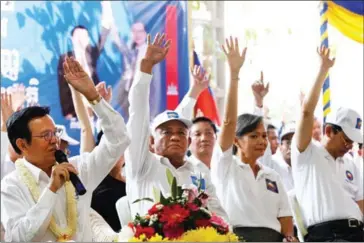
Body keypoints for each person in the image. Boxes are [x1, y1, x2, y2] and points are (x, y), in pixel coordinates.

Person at [1, 57, 130, 242]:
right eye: (46, 135)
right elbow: (18, 238)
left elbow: (119, 139)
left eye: (55, 133)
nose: (54, 140)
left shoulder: (79, 168)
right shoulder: (11, 186)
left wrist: (94, 97)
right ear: (22, 144)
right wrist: (52, 189)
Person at [123, 33, 228, 222]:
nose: (175, 137)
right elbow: (138, 114)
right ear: (152, 141)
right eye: (166, 132)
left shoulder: (199, 171)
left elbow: (218, 215)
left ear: (189, 141)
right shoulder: (142, 164)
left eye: (181, 132)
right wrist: (146, 67)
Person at [211, 36, 296, 242]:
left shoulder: (272, 176)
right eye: (254, 136)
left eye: (264, 136)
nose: (262, 141)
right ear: (236, 140)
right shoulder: (226, 166)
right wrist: (234, 74)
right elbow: (230, 122)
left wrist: (289, 238)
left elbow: (285, 216)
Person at [292, 46, 364, 242]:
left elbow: (361, 203)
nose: (350, 146)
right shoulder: (306, 152)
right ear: (329, 131)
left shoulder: (350, 163)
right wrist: (323, 69)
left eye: (354, 142)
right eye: (346, 139)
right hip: (327, 236)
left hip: (357, 234)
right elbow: (306, 112)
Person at [57, 1, 112, 119]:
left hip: (93, 99)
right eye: (78, 36)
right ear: (72, 39)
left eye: (84, 36)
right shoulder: (65, 58)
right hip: (76, 103)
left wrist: (106, 8)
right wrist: (67, 110)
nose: (82, 39)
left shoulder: (91, 53)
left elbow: (104, 33)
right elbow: (63, 85)